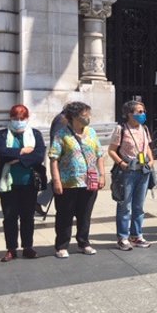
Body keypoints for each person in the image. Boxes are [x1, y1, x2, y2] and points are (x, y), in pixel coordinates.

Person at [49, 101, 105, 258]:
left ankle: (83, 242)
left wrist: (102, 174)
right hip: (69, 182)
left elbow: (99, 154)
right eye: (84, 115)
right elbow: (53, 158)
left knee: (85, 214)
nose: (88, 118)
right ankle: (62, 245)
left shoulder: (92, 132)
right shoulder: (61, 134)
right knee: (65, 215)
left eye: (88, 114)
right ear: (73, 116)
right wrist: (56, 181)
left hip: (89, 181)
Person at [0, 104, 46, 262]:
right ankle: (11, 249)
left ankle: (28, 247)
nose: (18, 121)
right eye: (15, 118)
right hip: (8, 183)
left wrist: (15, 158)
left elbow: (38, 155)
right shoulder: (2, 134)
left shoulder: (35, 134)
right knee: (10, 217)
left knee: (27, 217)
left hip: (29, 183)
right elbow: (2, 153)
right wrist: (23, 152)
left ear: (27, 119)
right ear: (10, 118)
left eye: (21, 118)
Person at [108, 100, 155, 250]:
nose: (142, 114)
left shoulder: (144, 128)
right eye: (139, 112)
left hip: (143, 170)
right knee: (125, 205)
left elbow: (146, 146)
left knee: (139, 205)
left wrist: (152, 159)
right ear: (129, 114)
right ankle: (122, 236)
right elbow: (111, 150)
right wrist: (121, 163)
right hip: (127, 170)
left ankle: (136, 235)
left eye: (143, 111)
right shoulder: (121, 129)